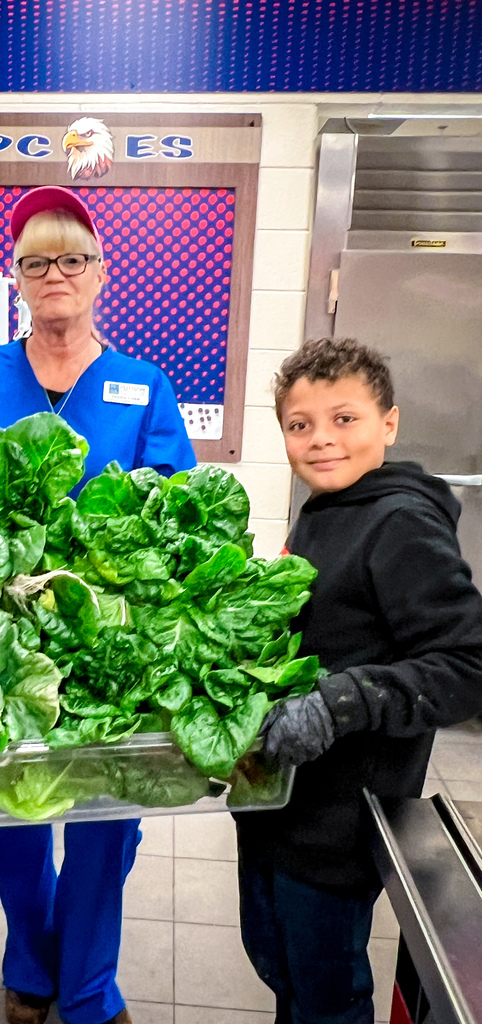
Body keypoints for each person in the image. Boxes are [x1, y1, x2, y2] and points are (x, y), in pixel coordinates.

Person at [0, 185, 196, 1024]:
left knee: (106, 826)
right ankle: (29, 968)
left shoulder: (142, 386)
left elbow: (174, 505)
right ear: (18, 277)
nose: (55, 274)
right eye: (36, 262)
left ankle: (88, 986)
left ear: (101, 272)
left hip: (109, 640)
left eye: (72, 258)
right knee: (16, 816)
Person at [234, 336, 482, 1024]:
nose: (321, 439)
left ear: (389, 424)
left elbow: (468, 665)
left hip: (337, 824)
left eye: (344, 418)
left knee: (327, 994)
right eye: (300, 424)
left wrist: (339, 702)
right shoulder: (325, 509)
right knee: (279, 963)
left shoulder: (401, 523)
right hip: (279, 803)